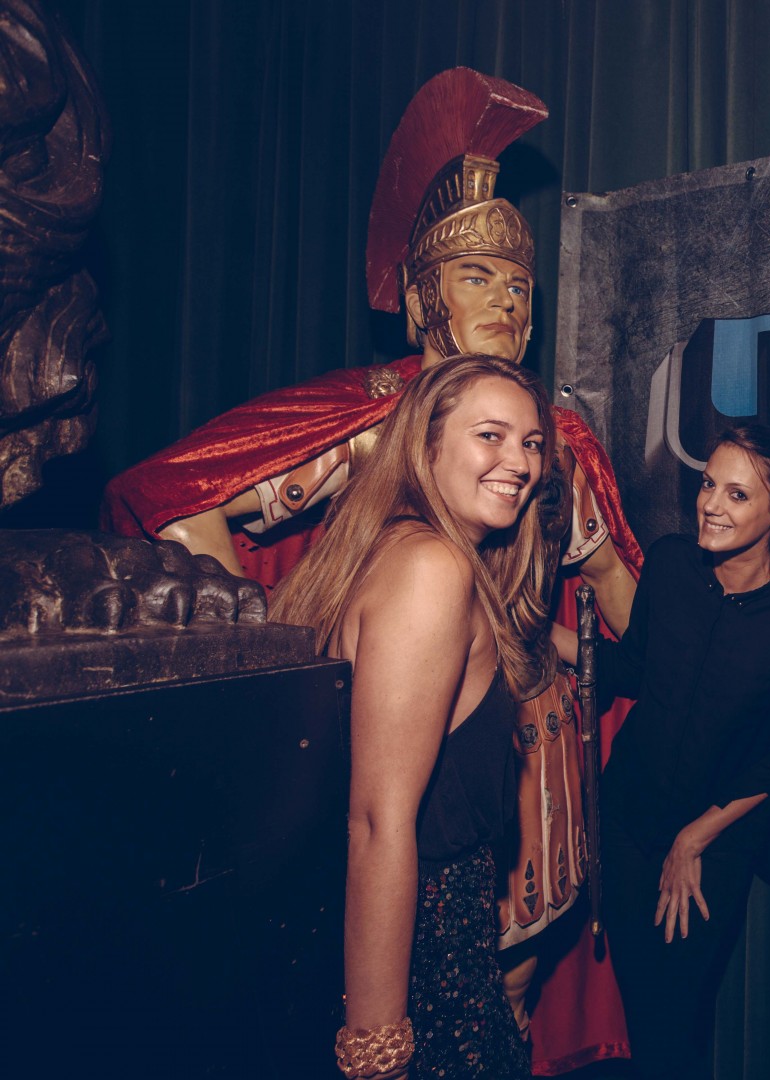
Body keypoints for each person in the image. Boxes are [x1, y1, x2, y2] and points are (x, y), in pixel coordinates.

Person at [99, 68, 639, 1069]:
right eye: (477, 277)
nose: (507, 300)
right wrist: (273, 651)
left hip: (527, 767)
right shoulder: (373, 425)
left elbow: (620, 610)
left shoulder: (559, 439)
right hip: (424, 807)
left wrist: (583, 601)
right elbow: (173, 496)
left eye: (519, 285)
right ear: (427, 298)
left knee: (516, 994)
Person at [272, 354, 561, 1080]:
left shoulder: (390, 549)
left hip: (405, 947)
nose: (520, 462)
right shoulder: (432, 567)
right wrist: (377, 1052)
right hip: (424, 971)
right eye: (490, 435)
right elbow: (377, 822)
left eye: (531, 443)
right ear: (425, 445)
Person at [552, 424, 770, 1079]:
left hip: (711, 848)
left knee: (676, 1019)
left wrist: (693, 839)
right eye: (709, 484)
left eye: (737, 495)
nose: (710, 504)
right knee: (634, 1005)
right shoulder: (670, 564)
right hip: (627, 824)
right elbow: (632, 669)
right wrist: (537, 631)